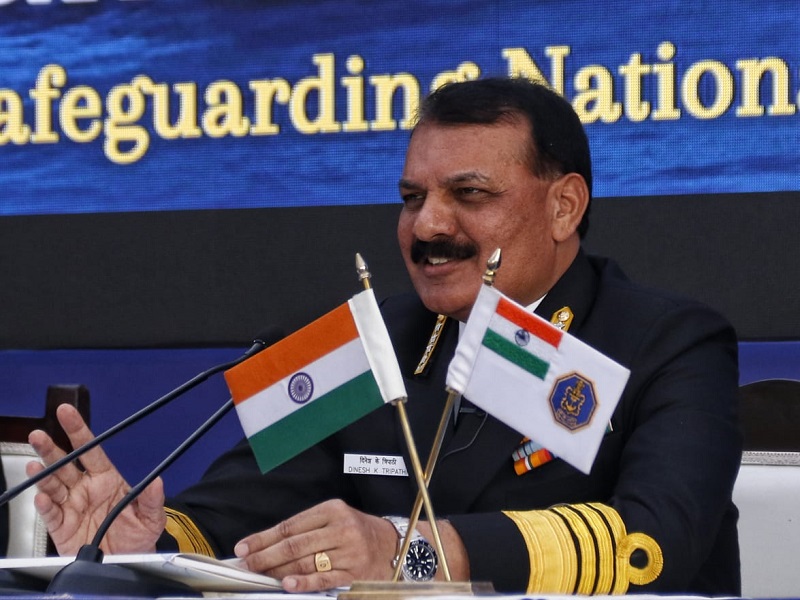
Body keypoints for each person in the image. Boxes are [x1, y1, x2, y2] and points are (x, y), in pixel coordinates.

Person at [27, 77, 742, 595]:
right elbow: (237, 510)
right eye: (412, 198)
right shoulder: (364, 339)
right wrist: (139, 543)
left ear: (564, 206)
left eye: (469, 194)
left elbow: (653, 544)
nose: (426, 227)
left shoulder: (669, 344)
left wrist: (412, 553)